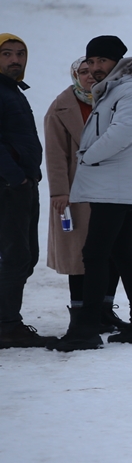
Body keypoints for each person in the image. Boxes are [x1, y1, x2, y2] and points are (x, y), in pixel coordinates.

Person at [52, 36, 132, 351]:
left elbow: (121, 133)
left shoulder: (130, 91)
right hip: (119, 185)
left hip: (115, 187)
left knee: (95, 254)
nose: (95, 67)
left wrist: (88, 154)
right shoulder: (120, 90)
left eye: (102, 61)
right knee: (123, 254)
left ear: (119, 62)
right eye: (91, 61)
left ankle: (85, 329)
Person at [0, 34, 56, 348]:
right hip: (9, 187)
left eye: (20, 54)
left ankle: (6, 321)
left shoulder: (12, 91)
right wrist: (15, 177)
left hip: (21, 184)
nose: (15, 60)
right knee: (15, 256)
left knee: (24, 256)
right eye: (7, 54)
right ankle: (7, 325)